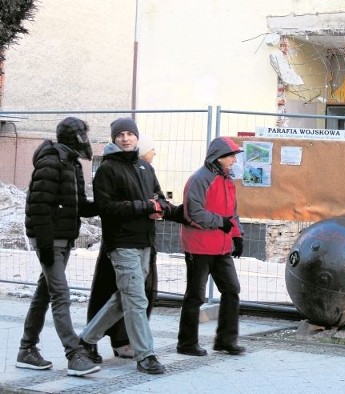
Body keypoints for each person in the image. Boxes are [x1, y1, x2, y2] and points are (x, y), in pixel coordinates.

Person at [79, 118, 172, 375]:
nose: (126, 138)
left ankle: (86, 340)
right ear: (114, 139)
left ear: (137, 138)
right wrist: (145, 207)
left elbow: (159, 197)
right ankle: (146, 355)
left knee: (124, 298)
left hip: (144, 242)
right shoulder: (107, 169)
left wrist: (161, 207)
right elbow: (106, 208)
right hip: (121, 243)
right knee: (136, 300)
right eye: (120, 135)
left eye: (130, 134)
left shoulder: (145, 167)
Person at [18, 117, 101, 376]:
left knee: (45, 293)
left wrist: (108, 204)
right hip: (50, 241)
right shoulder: (51, 162)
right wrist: (43, 245)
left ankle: (26, 349)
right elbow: (38, 207)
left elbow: (80, 206)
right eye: (82, 135)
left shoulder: (71, 163)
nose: (85, 140)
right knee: (60, 295)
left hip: (64, 239)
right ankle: (74, 353)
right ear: (72, 137)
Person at [176, 136, 245, 356]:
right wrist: (221, 222)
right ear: (219, 158)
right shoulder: (199, 179)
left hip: (221, 246)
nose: (234, 160)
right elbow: (193, 212)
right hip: (199, 246)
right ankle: (186, 343)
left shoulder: (227, 181)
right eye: (231, 156)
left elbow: (232, 213)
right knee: (195, 296)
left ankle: (226, 340)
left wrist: (237, 235)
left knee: (232, 290)